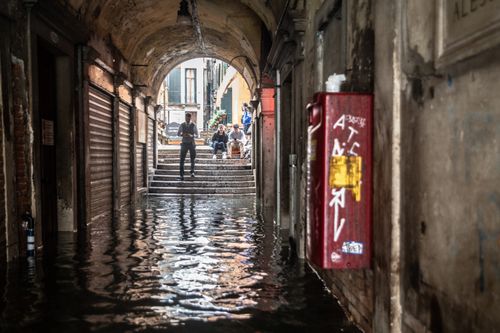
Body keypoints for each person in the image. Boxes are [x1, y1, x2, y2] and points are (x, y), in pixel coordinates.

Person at [177, 112, 198, 180]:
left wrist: (192, 135)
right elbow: (178, 133)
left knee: (192, 159)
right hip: (184, 143)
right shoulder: (182, 125)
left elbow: (197, 135)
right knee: (182, 159)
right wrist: (182, 134)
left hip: (191, 143)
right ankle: (181, 174)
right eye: (186, 118)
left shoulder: (193, 125)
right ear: (185, 118)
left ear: (190, 118)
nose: (187, 119)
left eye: (188, 118)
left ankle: (192, 172)